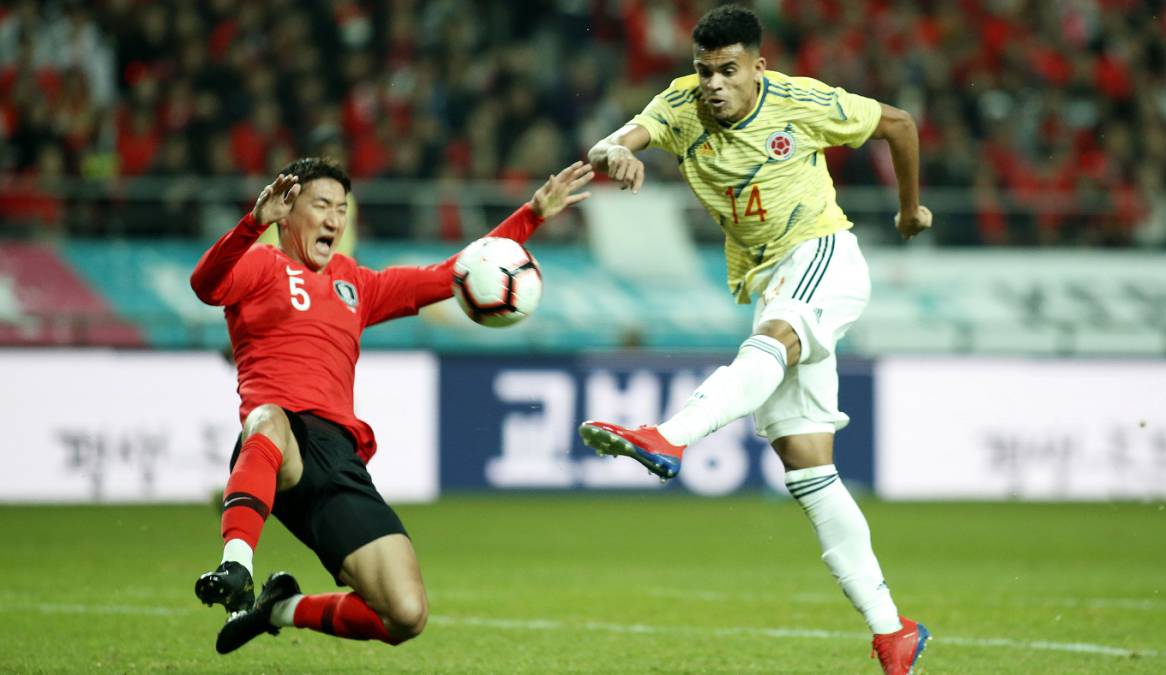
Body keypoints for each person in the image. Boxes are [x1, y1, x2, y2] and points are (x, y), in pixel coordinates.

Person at [577, 6, 931, 675]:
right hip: (770, 280)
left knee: (774, 337)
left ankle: (669, 435)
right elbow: (611, 141)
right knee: (808, 468)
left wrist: (908, 208)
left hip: (823, 253)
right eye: (704, 69)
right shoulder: (679, 106)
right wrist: (615, 150)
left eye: (728, 70)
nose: (713, 83)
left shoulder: (799, 102)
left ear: (757, 68)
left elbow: (899, 124)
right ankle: (894, 630)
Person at [191, 157, 593, 654]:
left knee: (404, 614)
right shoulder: (260, 263)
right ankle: (237, 564)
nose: (335, 219)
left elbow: (455, 273)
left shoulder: (357, 285)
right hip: (276, 449)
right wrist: (253, 224)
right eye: (322, 205)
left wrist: (532, 214)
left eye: (342, 208)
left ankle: (278, 608)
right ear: (288, 210)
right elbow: (204, 285)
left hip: (339, 460)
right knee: (268, 418)